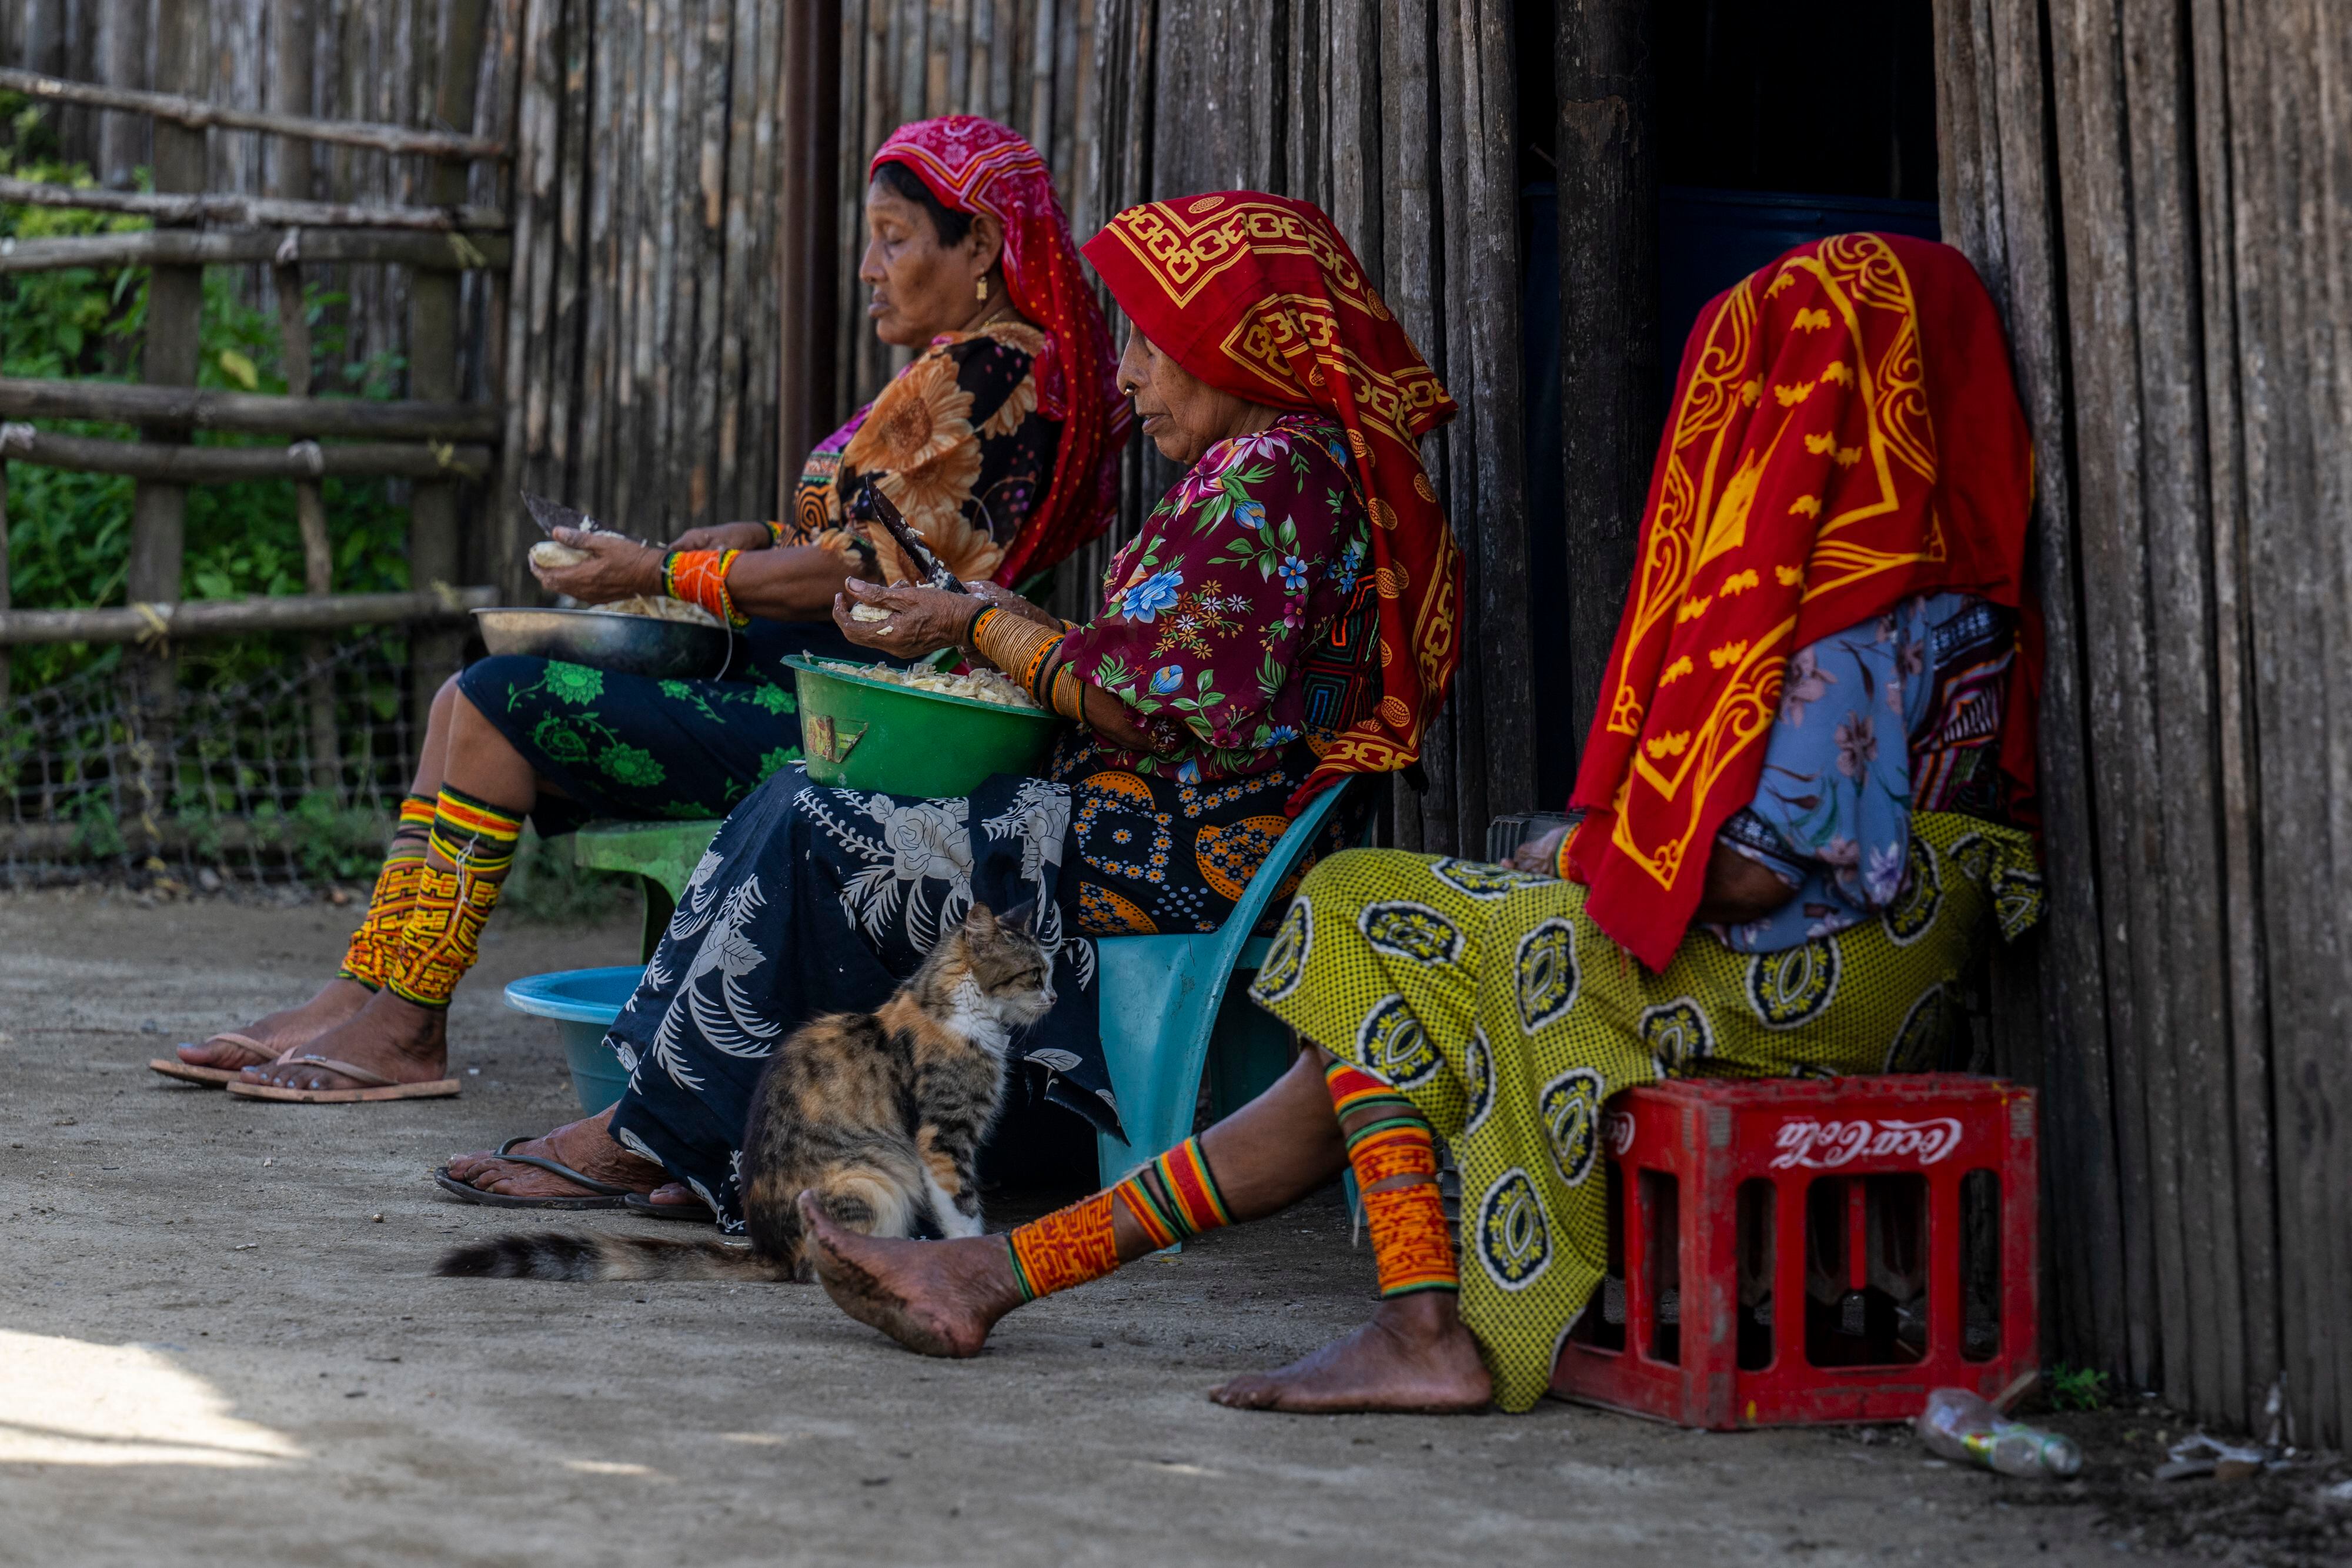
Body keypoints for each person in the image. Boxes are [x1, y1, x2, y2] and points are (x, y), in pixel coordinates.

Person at [793, 230, 2044, 1416]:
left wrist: (1569, 853)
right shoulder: (1912, 577)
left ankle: (1410, 1327)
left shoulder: (1853, 615)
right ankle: (1001, 1276)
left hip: (1810, 975)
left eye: (1762, 383)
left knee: (1365, 910)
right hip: (1823, 949)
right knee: (1369, 972)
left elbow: (1754, 876)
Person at [432, 190, 1467, 1218]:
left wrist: (976, 626)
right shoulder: (1294, 468)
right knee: (802, 792)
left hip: (1167, 853)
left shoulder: (1274, 475)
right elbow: (1158, 666)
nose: (1130, 374)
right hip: (1142, 829)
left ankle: (652, 1137)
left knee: (810, 820)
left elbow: (1138, 704)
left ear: (1231, 341)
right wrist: (991, 611)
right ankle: (702, 1141)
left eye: (1154, 344)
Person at [161, 116, 1125, 1102]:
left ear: (981, 248)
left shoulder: (992, 372)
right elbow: (894, 537)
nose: (871, 268)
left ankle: (407, 1031)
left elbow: (864, 582)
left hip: (856, 719)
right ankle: (356, 997)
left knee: (497, 700)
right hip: (821, 686)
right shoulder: (975, 367)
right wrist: (752, 539)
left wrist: (658, 572)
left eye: (895, 237)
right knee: (463, 698)